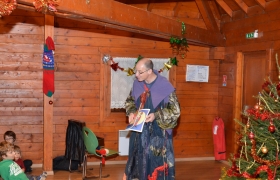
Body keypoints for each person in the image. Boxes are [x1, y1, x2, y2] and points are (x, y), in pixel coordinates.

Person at [123, 58, 180, 180]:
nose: (136, 75)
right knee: (139, 166)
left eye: (140, 72)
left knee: (155, 167)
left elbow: (175, 111)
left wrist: (156, 115)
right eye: (136, 71)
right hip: (139, 134)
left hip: (158, 136)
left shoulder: (165, 86)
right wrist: (132, 112)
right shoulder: (137, 83)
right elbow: (130, 101)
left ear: (149, 71)